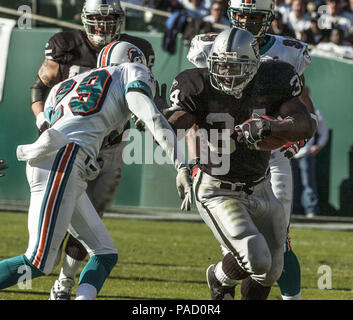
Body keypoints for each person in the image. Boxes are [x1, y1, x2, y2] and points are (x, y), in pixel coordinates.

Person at [0, 41, 192, 300]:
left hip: (61, 161)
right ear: (134, 60)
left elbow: (77, 122)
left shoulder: (66, 85)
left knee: (104, 253)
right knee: (38, 261)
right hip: (65, 160)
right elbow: (152, 118)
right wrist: (181, 164)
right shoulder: (132, 71)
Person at [164, 28, 315, 300]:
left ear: (256, 65)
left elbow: (305, 124)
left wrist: (271, 127)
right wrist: (161, 121)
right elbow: (180, 121)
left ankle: (218, 277)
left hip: (260, 184)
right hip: (217, 189)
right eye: (221, 64)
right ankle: (223, 277)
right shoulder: (196, 84)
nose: (227, 72)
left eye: (237, 66)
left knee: (271, 271)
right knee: (256, 256)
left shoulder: (275, 78)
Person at [30, 0, 156, 300]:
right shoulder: (66, 45)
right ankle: (44, 266)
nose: (104, 26)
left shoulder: (134, 49)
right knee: (56, 227)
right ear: (85, 19)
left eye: (111, 19)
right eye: (98, 19)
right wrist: (43, 125)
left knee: (91, 223)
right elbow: (39, 87)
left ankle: (66, 280)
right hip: (67, 146)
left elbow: (144, 92)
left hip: (109, 149)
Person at [292, 106, 329, 217]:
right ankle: (293, 211)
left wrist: (318, 146)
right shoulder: (286, 108)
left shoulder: (315, 110)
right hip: (289, 155)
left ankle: (311, 210)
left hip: (306, 153)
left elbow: (323, 130)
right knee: (291, 184)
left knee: (308, 183)